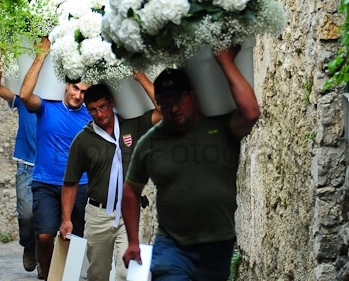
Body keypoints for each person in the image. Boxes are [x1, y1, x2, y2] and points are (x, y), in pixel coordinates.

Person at [121, 47, 261, 281]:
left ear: (193, 95)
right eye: (165, 103)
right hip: (173, 246)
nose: (173, 109)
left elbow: (251, 113)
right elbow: (130, 191)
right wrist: (133, 241)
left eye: (178, 100)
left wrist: (225, 61)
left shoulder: (221, 128)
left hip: (217, 247)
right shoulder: (150, 143)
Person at [60, 72, 162, 281]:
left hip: (130, 213)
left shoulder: (132, 126)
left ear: (112, 103)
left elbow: (163, 111)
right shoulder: (83, 140)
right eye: (93, 110)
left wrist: (140, 76)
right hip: (98, 215)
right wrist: (66, 219)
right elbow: (70, 182)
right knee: (97, 275)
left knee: (129, 274)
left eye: (103, 106)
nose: (99, 114)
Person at [19, 37, 91, 280]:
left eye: (83, 91)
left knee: (72, 238)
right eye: (75, 88)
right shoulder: (47, 107)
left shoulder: (90, 117)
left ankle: (67, 275)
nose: (78, 95)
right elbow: (25, 94)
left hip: (79, 185)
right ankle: (47, 271)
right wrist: (41, 55)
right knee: (44, 235)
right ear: (66, 86)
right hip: (46, 183)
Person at [0, 56, 40, 275]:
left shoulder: (60, 103)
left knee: (51, 221)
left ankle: (45, 263)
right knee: (26, 215)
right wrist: (4, 55)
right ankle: (29, 246)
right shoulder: (22, 99)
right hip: (27, 166)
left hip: (52, 168)